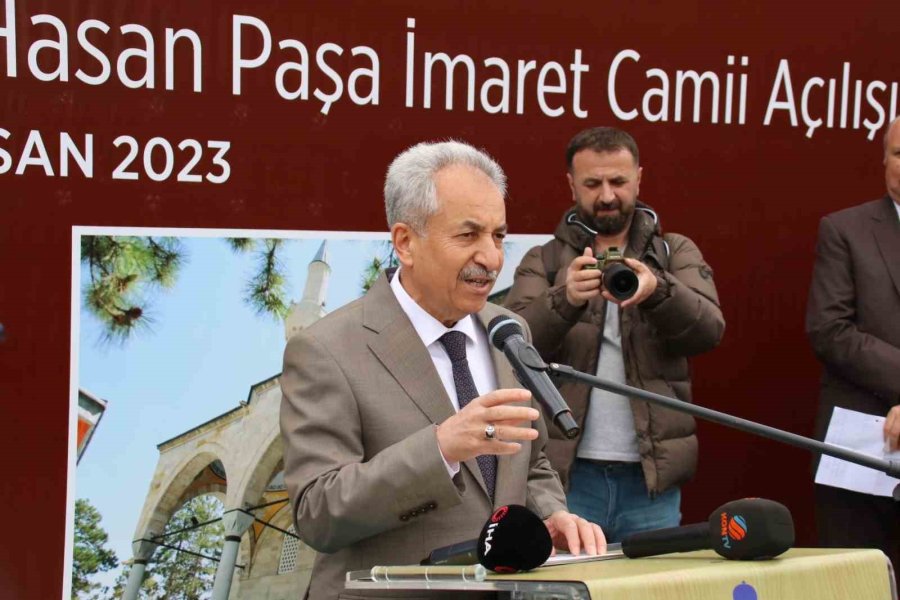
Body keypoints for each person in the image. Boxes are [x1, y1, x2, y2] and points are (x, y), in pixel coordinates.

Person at [280, 140, 605, 600]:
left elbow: (532, 463)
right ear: (405, 242)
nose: (491, 258)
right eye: (468, 236)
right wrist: (440, 449)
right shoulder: (324, 348)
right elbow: (318, 512)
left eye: (498, 236)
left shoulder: (509, 331)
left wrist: (551, 514)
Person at [504, 127, 725, 542]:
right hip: (566, 478)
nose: (607, 195)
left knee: (649, 580)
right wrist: (565, 298)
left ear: (639, 178)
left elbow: (709, 331)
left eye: (618, 181)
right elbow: (511, 347)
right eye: (593, 183)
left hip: (651, 480)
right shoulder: (545, 259)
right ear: (571, 185)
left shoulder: (673, 252)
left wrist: (658, 291)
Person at [806, 116, 900, 580]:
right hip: (863, 451)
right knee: (856, 582)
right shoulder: (846, 229)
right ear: (884, 159)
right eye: (899, 153)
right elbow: (830, 329)